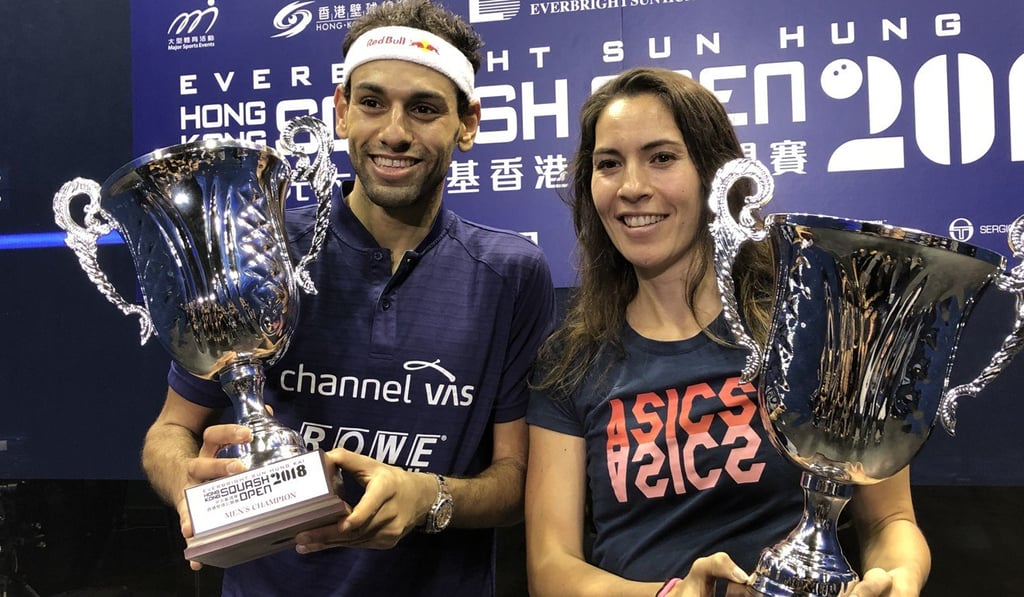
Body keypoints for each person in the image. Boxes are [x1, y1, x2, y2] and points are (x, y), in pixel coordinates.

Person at [141, 1, 555, 595]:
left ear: (467, 124)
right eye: (372, 102)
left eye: (424, 109)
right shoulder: (262, 246)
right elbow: (168, 431)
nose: (393, 132)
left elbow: (515, 481)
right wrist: (186, 478)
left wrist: (429, 497)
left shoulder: (512, 273)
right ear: (340, 111)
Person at [524, 67, 930, 597]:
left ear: (716, 173)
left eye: (662, 157)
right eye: (608, 164)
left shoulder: (815, 325)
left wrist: (897, 578)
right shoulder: (571, 359)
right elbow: (550, 569)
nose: (632, 188)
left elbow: (889, 521)